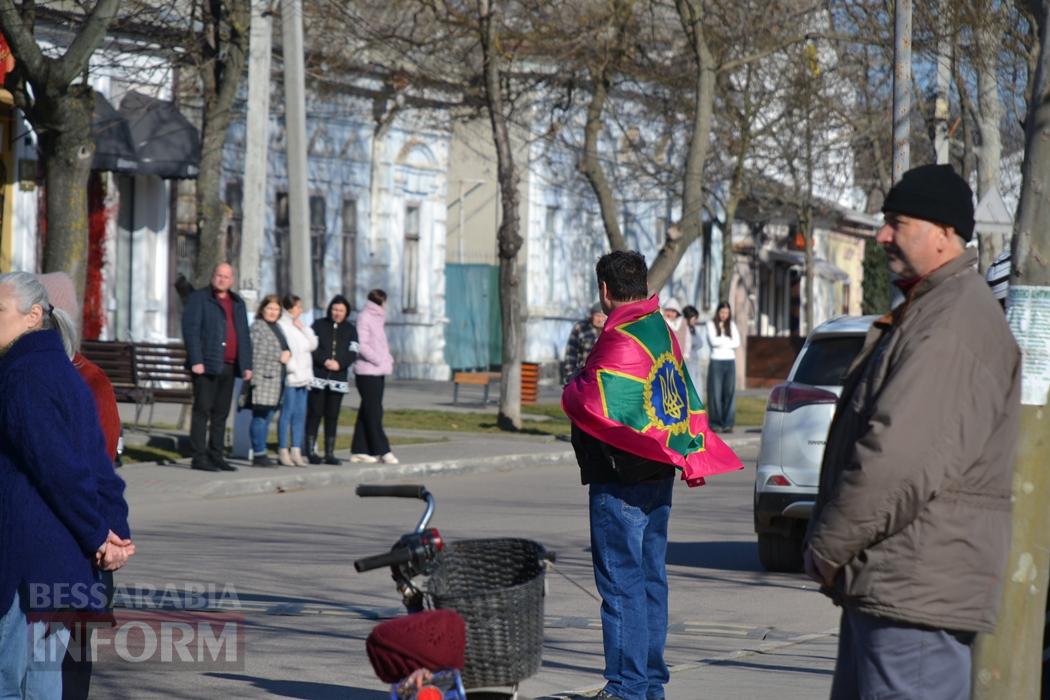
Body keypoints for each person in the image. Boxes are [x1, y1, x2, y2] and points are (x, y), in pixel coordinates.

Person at [803, 164, 1021, 700]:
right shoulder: (933, 310)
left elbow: (897, 461)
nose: (882, 235)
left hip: (917, 593)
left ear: (945, 233)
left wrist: (828, 545)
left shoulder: (952, 323)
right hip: (899, 583)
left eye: (897, 222)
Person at [561, 251, 742, 700]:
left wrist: (573, 383)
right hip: (658, 472)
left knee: (622, 585)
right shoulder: (659, 329)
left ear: (605, 290)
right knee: (650, 581)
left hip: (620, 478)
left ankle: (627, 687)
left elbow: (586, 399)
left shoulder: (619, 335)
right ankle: (649, 684)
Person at [0, 271, 134, 700]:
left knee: (13, 681)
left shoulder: (24, 374)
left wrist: (101, 534)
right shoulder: (63, 369)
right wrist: (114, 531)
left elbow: (60, 470)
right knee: (42, 680)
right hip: (62, 557)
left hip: (28, 557)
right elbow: (97, 465)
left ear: (32, 315)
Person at [182, 263, 252, 472]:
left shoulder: (237, 302)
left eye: (226, 277)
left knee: (221, 413)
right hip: (206, 364)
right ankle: (199, 457)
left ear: (232, 280)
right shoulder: (200, 298)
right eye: (219, 275)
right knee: (202, 410)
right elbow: (191, 331)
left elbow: (243, 335)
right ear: (213, 277)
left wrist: (246, 364)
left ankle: (216, 455)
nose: (222, 279)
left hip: (229, 365)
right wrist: (196, 360)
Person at [307, 295, 359, 465]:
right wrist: (324, 360)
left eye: (341, 310)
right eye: (335, 309)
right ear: (330, 309)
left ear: (346, 312)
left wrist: (340, 363)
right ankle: (310, 451)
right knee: (315, 413)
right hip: (319, 375)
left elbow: (353, 351)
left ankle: (330, 453)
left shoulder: (351, 329)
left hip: (338, 377)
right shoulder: (319, 325)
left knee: (332, 415)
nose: (337, 313)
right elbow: (311, 347)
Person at [351, 289, 396, 464]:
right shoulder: (365, 317)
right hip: (367, 371)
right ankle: (383, 450)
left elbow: (380, 344)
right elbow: (362, 345)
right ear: (382, 302)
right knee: (374, 412)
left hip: (378, 370)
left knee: (367, 411)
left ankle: (359, 450)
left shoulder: (378, 318)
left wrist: (387, 359)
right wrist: (378, 360)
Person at [276, 294, 318, 467]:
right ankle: (282, 450)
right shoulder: (282, 326)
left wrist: (304, 328)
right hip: (291, 377)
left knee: (300, 415)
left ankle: (296, 450)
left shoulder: (298, 326)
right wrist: (291, 369)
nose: (301, 310)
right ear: (289, 308)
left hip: (304, 377)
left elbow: (312, 345)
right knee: (287, 414)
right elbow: (286, 350)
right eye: (298, 307)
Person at [248, 295, 290, 467]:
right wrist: (280, 356)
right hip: (263, 379)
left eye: (276, 309)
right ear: (262, 309)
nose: (273, 312)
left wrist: (287, 354)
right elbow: (256, 354)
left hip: (277, 379)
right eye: (270, 308)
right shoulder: (258, 327)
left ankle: (262, 451)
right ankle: (259, 453)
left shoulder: (277, 327)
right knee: (260, 417)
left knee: (267, 417)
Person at [704, 302, 739, 433]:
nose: (724, 315)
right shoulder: (710, 324)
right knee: (715, 393)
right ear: (718, 312)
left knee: (729, 393)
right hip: (716, 361)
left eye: (727, 313)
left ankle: (728, 423)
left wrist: (722, 342)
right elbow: (714, 341)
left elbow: (737, 343)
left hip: (730, 361)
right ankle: (715, 423)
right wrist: (727, 341)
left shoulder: (732, 325)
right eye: (722, 312)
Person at [561, 302, 606, 386]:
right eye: (597, 316)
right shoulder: (581, 327)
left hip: (603, 377)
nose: (600, 319)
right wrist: (569, 376)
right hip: (583, 375)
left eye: (602, 316)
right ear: (591, 315)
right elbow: (571, 354)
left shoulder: (610, 329)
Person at [681, 305, 708, 401]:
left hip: (695, 361)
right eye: (694, 318)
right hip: (688, 361)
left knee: (697, 385)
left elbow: (700, 343)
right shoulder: (684, 330)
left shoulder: (693, 329)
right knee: (691, 384)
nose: (695, 321)